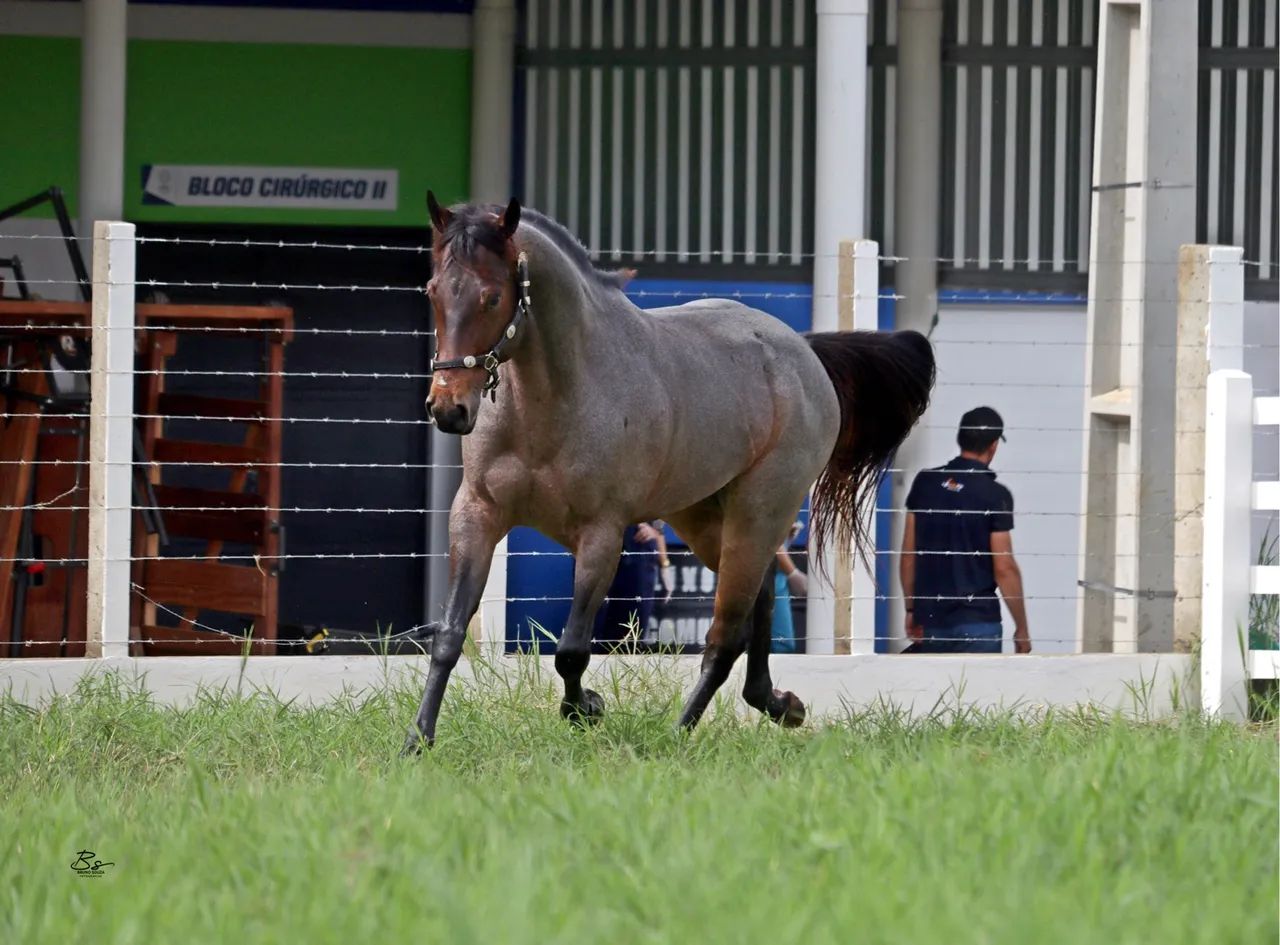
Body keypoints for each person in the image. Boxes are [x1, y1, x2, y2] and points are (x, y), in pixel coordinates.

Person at [900, 406, 1030, 654]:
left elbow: (909, 555)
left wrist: (911, 609)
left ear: (960, 438)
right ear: (993, 446)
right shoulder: (995, 495)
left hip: (931, 620)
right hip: (979, 622)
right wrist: (1022, 627)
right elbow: (1004, 568)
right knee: (977, 693)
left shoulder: (924, 483)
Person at [593, 521, 670, 649]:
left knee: (631, 634)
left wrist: (664, 564)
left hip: (637, 542)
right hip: (598, 537)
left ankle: (625, 667)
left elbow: (658, 520)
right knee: (593, 630)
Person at [771, 521, 807, 653]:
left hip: (775, 576)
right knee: (782, 646)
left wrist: (786, 537)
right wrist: (792, 572)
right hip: (769, 576)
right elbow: (769, 537)